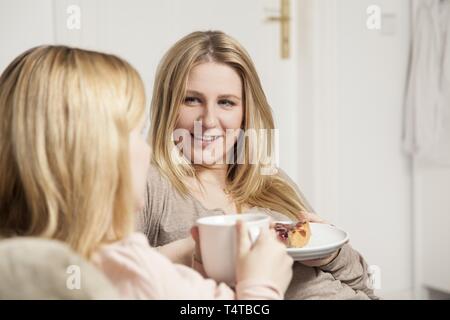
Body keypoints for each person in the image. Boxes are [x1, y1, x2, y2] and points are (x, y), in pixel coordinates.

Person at [0, 45, 293, 299]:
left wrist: (186, 256)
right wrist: (261, 288)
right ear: (94, 159)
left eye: (226, 102)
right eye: (137, 132)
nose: (147, 148)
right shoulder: (134, 272)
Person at [139, 31, 378, 299]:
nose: (208, 120)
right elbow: (108, 280)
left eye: (226, 102)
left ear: (245, 113)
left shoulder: (271, 179)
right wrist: (196, 250)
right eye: (192, 99)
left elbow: (365, 284)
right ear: (168, 105)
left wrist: (332, 253)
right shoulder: (150, 183)